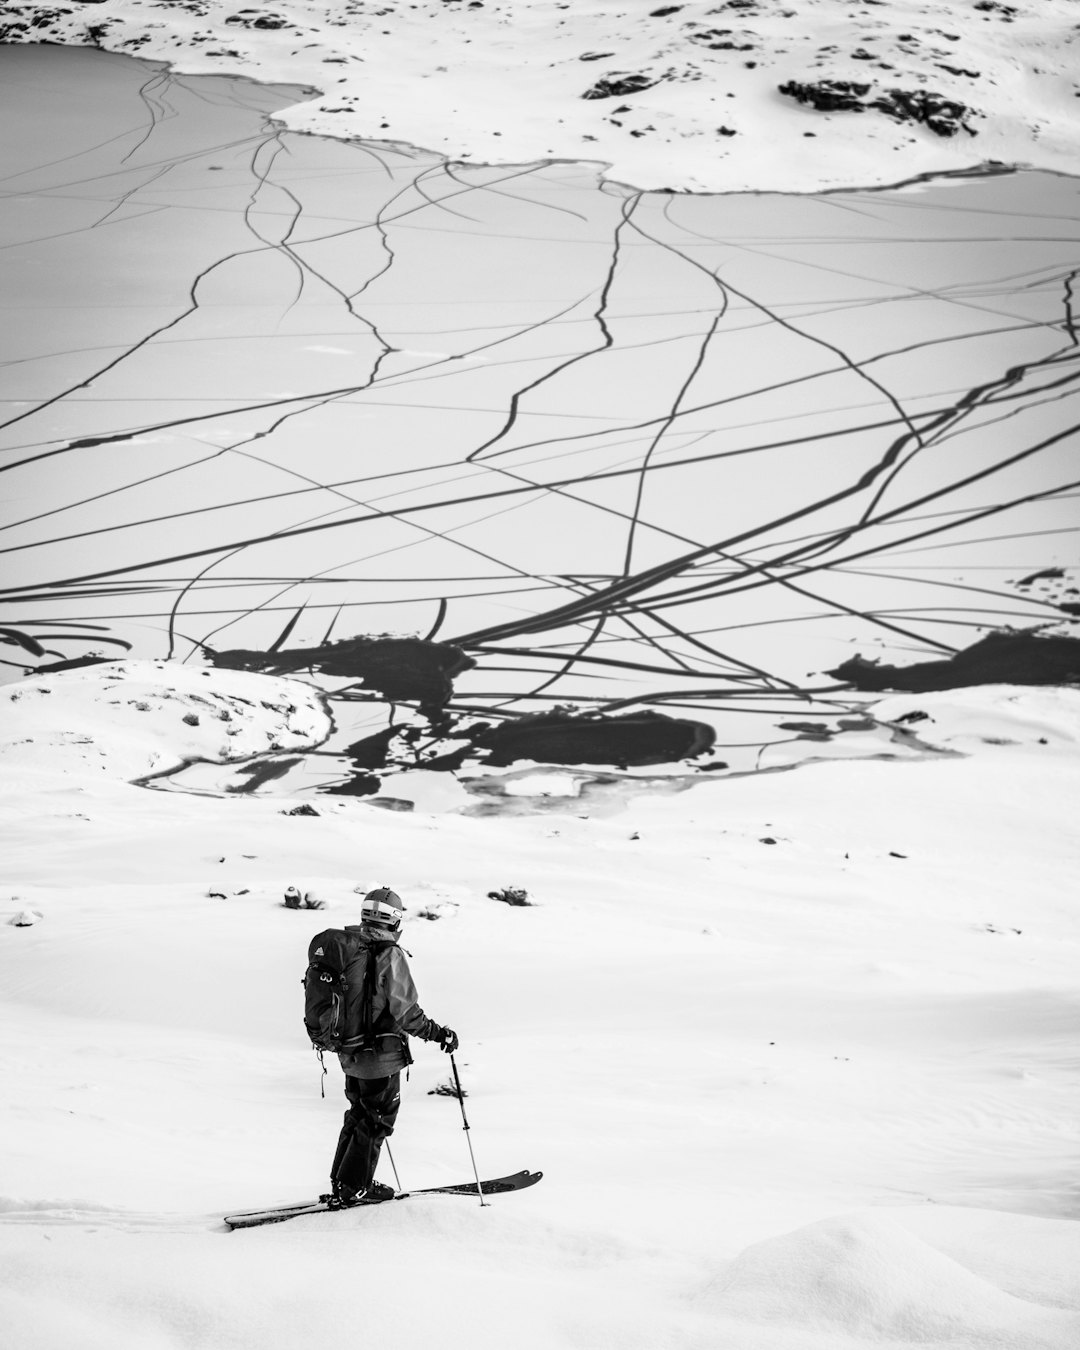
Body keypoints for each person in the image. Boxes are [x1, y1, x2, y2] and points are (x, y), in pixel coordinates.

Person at [328, 886, 458, 1207]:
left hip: (350, 1051)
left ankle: (343, 1182)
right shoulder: (389, 954)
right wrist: (439, 1034)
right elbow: (406, 1012)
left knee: (358, 1114)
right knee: (376, 1120)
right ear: (396, 920)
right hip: (380, 1056)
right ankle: (355, 1188)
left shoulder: (350, 948)